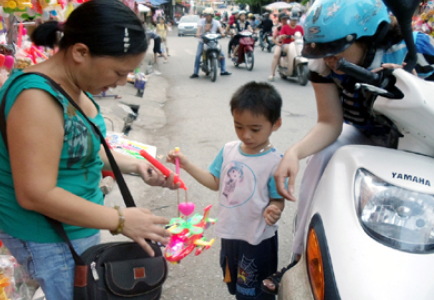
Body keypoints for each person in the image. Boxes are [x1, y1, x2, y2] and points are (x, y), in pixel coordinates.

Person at [0, 1, 179, 299]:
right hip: (50, 236)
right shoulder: (36, 99)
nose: (123, 81)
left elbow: (75, 148)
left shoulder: (71, 84)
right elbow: (36, 193)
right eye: (118, 71)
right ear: (80, 53)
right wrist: (121, 220)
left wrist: (134, 165)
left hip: (77, 223)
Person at [262, 0, 434, 295]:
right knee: (324, 155)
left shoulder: (414, 48)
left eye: (336, 52)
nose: (330, 61)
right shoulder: (324, 65)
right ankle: (300, 258)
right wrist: (294, 152)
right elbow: (330, 123)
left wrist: (413, 82)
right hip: (366, 133)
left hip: (419, 141)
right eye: (323, 53)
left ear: (370, 37)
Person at [167, 82, 285, 300]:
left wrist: (274, 209)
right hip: (230, 234)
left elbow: (278, 200)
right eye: (239, 126)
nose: (246, 135)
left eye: (255, 129)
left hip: (257, 239)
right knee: (235, 285)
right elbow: (214, 182)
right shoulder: (229, 150)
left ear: (275, 124)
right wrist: (186, 165)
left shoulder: (276, 162)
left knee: (254, 293)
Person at [190, 7, 231, 78]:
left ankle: (223, 71)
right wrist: (198, 34)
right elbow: (199, 30)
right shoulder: (201, 21)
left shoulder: (216, 22)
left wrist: (223, 33)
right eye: (205, 15)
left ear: (212, 16)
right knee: (198, 55)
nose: (206, 17)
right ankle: (195, 72)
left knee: (222, 55)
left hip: (214, 41)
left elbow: (221, 30)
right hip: (203, 42)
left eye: (208, 15)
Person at [267, 13, 289, 81]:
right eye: (283, 19)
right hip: (281, 44)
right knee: (276, 55)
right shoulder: (278, 28)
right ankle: (272, 74)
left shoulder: (290, 26)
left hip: (290, 45)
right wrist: (278, 44)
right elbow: (273, 39)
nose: (285, 20)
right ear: (280, 20)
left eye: (286, 19)